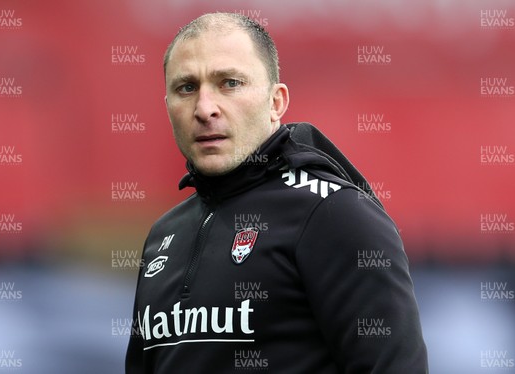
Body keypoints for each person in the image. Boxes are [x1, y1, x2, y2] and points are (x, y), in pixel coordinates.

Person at [126, 12, 428, 373]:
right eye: (186, 88)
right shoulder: (163, 235)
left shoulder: (335, 214)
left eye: (230, 83)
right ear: (167, 105)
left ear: (276, 102)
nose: (205, 108)